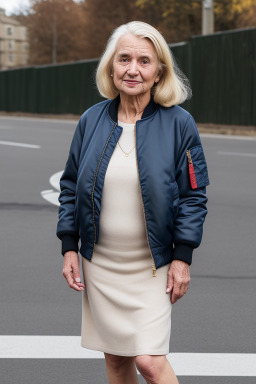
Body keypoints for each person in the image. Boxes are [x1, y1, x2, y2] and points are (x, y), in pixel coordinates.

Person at [56, 21, 209, 384]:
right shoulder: (91, 120)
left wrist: (182, 257)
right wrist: (68, 246)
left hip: (152, 266)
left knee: (150, 363)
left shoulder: (179, 124)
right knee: (115, 360)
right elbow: (70, 186)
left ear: (159, 73)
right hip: (102, 263)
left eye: (144, 61)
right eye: (124, 59)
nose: (133, 69)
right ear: (111, 66)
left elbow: (194, 195)